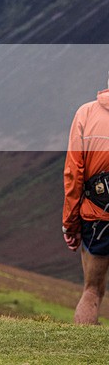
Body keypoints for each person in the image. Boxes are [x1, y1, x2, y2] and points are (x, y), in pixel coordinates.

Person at [62, 79, 109, 324]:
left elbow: (73, 174)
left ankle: (81, 352)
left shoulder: (86, 114)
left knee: (92, 291)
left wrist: (70, 225)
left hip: (98, 217)